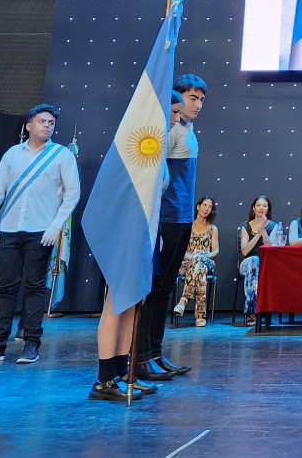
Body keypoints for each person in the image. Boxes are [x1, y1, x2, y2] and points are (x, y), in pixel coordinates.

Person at [0, 103, 80, 367]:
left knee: (35, 287)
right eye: (42, 121)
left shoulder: (61, 156)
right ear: (29, 126)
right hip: (10, 229)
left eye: (51, 122)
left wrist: (56, 225)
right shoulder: (13, 154)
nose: (47, 125)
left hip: (42, 230)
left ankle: (31, 343)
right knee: (5, 287)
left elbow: (72, 194)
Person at [87, 93, 180, 402]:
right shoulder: (135, 145)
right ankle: (103, 379)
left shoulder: (157, 149)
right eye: (173, 112)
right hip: (125, 236)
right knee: (116, 303)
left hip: (145, 236)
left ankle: (124, 373)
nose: (177, 119)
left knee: (134, 302)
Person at [136, 73, 206, 382]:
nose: (197, 105)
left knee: (165, 289)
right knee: (155, 288)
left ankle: (155, 352)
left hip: (182, 218)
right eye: (192, 98)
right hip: (165, 217)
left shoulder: (187, 131)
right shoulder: (170, 131)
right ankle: (141, 356)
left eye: (201, 99)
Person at [174, 195, 219, 327]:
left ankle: (184, 299)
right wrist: (192, 256)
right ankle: (200, 315)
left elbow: (216, 251)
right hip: (187, 262)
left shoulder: (213, 229)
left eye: (210, 207)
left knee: (201, 263)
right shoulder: (187, 226)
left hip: (206, 260)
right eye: (205, 205)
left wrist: (205, 255)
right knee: (201, 271)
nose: (206, 209)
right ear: (198, 206)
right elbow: (180, 250)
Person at [239, 195, 277, 327]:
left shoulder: (273, 226)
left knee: (258, 265)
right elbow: (244, 251)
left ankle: (253, 311)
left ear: (268, 209)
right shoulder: (246, 227)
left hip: (266, 265)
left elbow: (271, 248)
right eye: (259, 205)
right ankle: (255, 311)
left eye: (264, 206)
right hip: (247, 264)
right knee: (254, 261)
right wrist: (257, 235)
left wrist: (264, 231)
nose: (261, 208)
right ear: (253, 208)